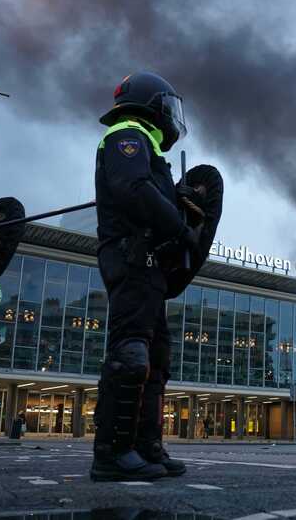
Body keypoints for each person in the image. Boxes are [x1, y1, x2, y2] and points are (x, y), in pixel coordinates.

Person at [91, 72, 223, 481]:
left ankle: (146, 447)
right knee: (130, 356)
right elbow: (133, 189)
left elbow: (151, 193)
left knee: (155, 360)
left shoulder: (146, 145)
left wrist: (182, 202)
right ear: (154, 105)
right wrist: (182, 228)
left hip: (149, 267)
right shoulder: (126, 134)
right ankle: (112, 453)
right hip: (131, 261)